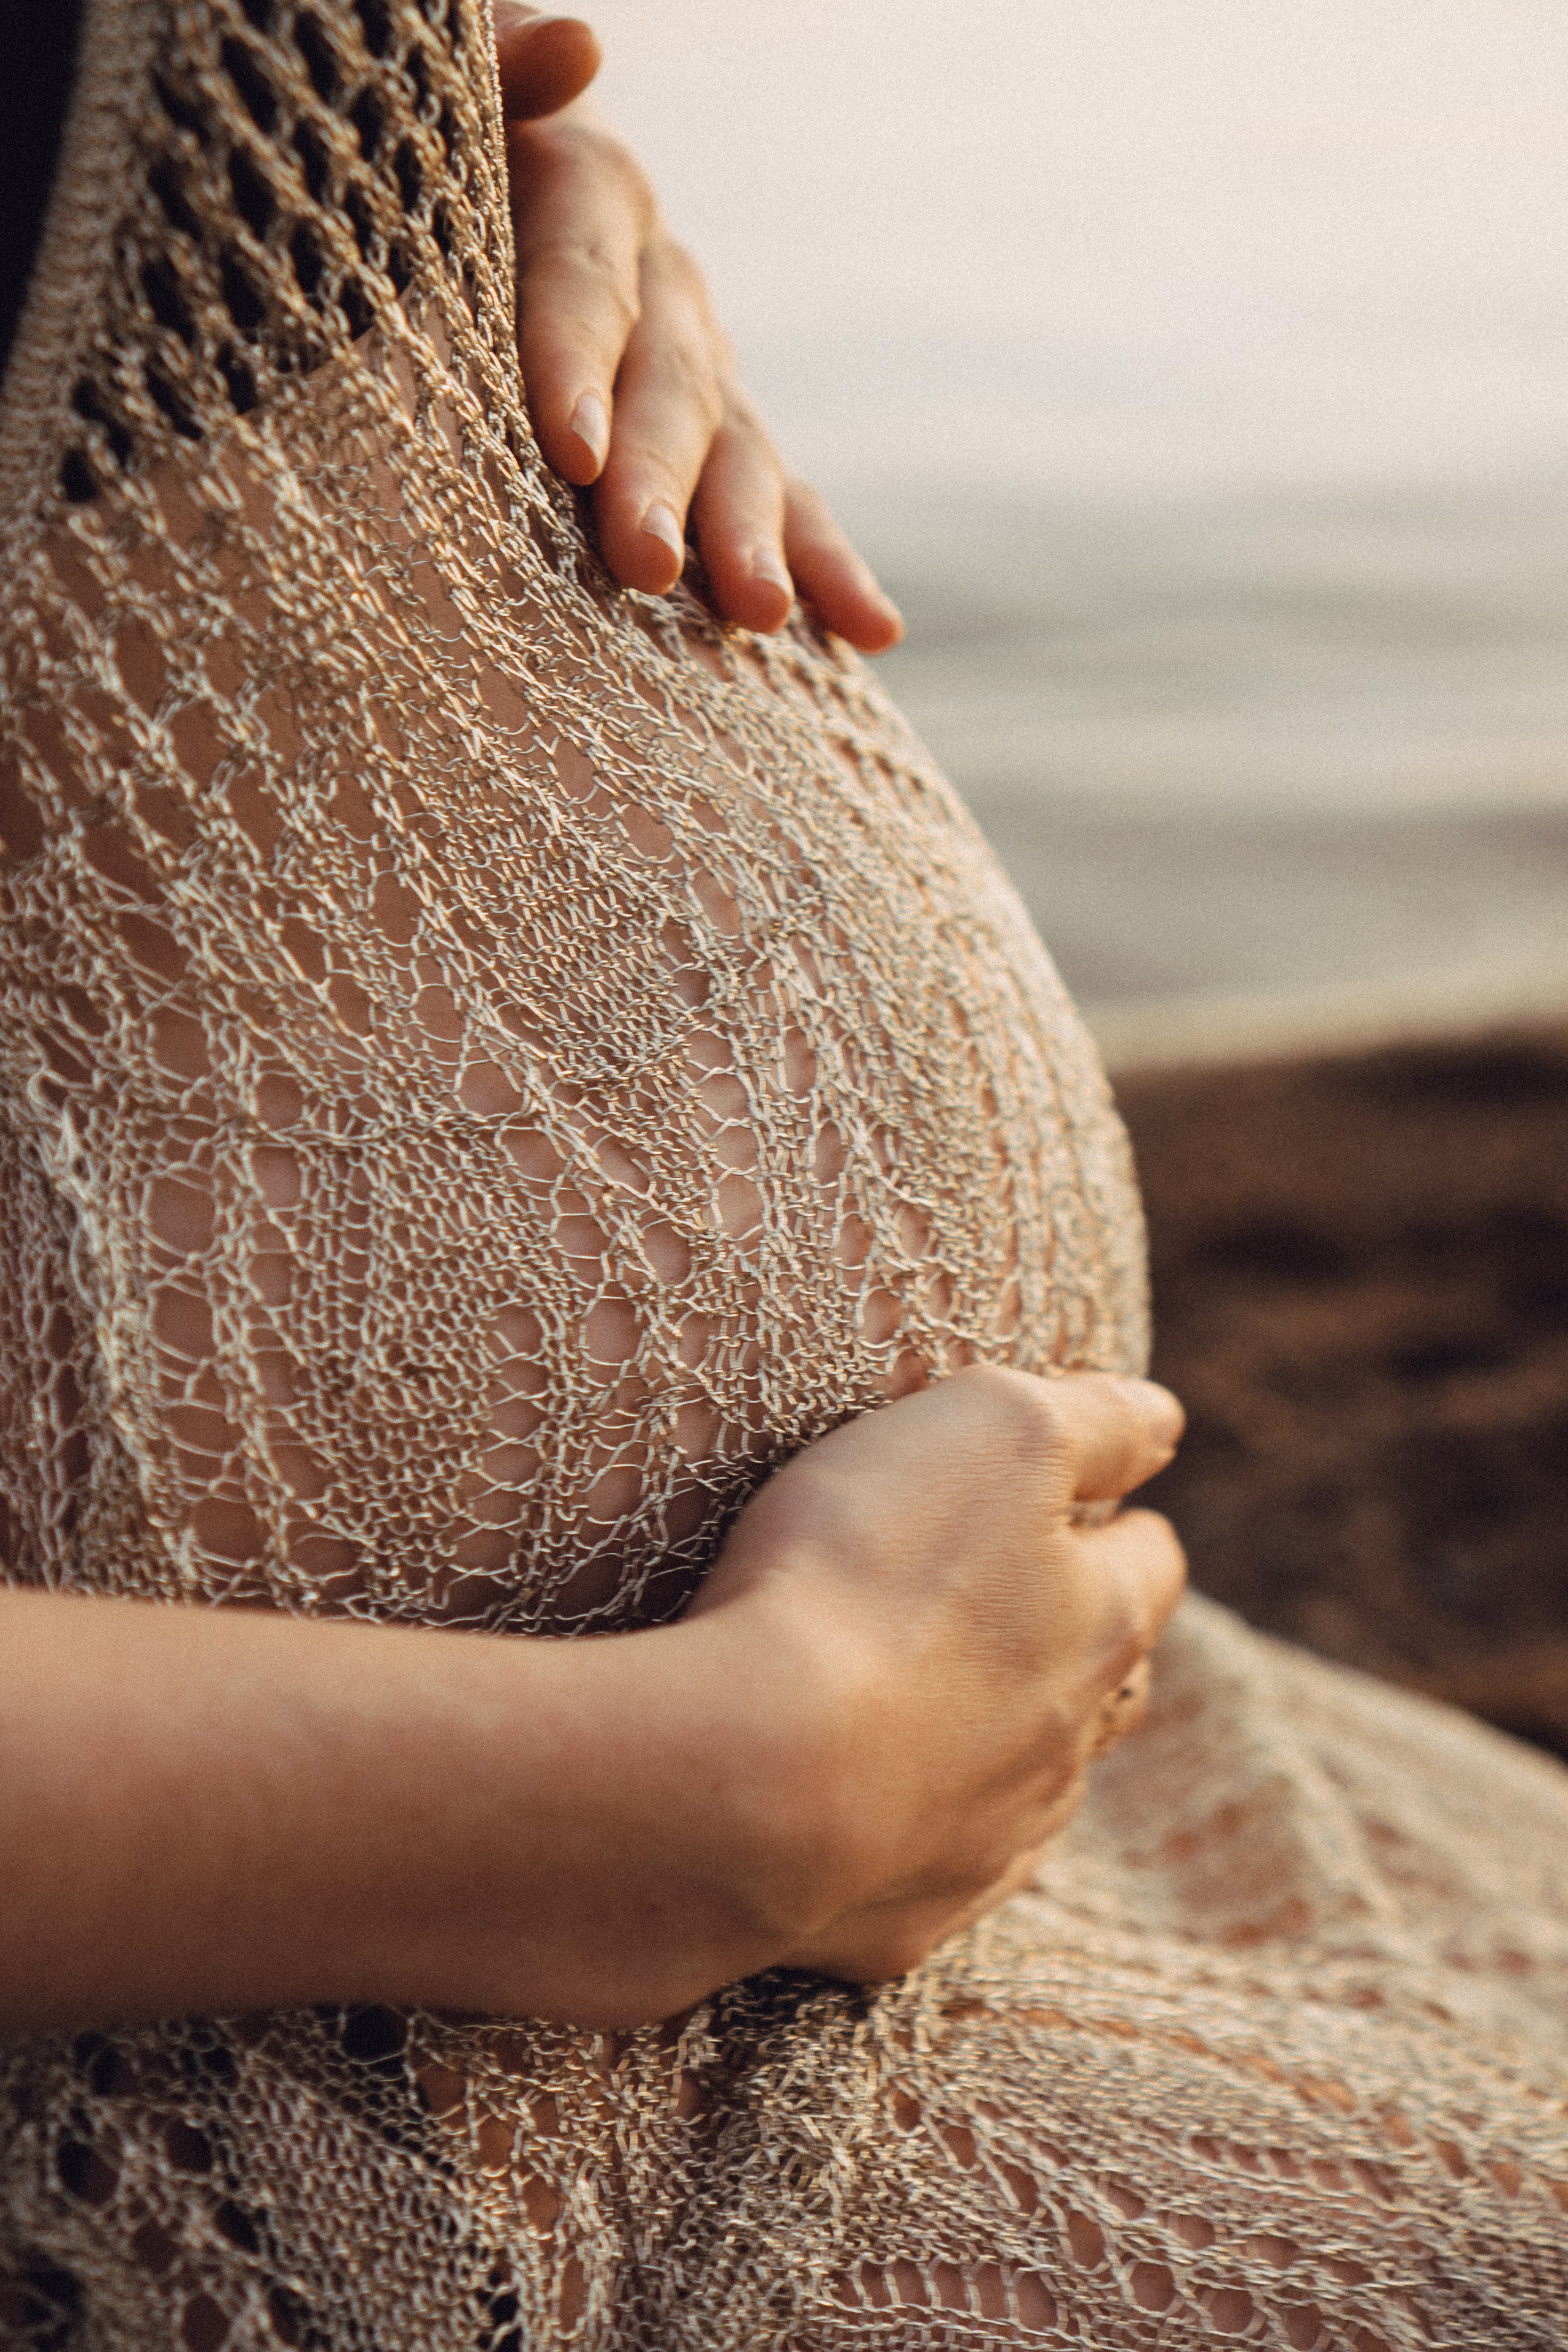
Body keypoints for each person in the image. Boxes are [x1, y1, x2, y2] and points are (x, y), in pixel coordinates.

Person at [1, 5, 1565, 2346]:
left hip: (936, 1810)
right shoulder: (679, 1818)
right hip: (386, 2003)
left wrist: (411, 243)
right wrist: (703, 1798)